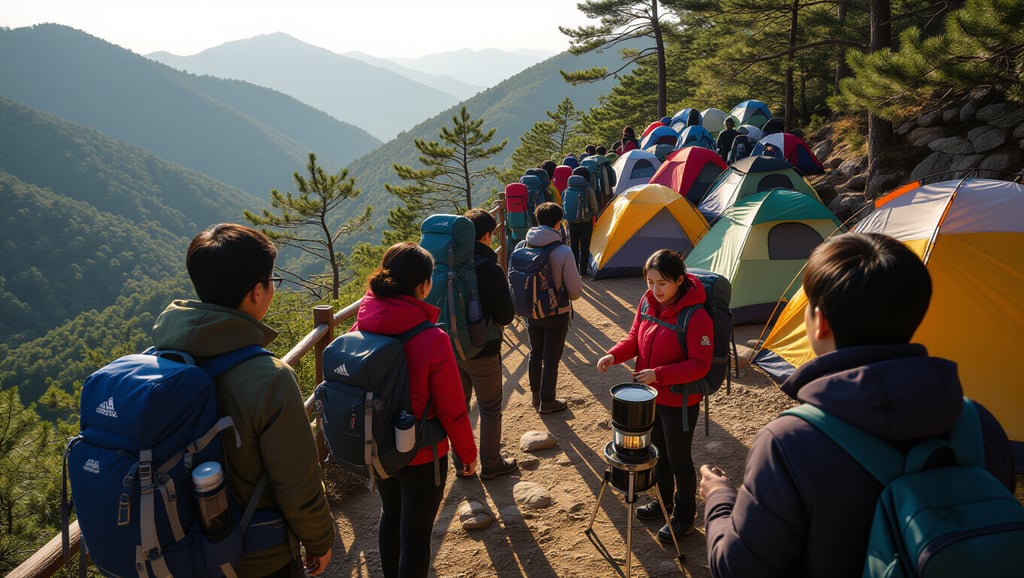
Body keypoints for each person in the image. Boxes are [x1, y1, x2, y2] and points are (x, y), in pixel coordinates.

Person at [699, 232, 1016, 577]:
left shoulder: (788, 443)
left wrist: (719, 498)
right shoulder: (978, 423)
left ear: (821, 323)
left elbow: (737, 568)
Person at [152, 223, 334, 577]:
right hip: (256, 558)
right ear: (256, 292)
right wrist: (320, 540)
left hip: (180, 552)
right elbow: (297, 481)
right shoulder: (269, 378)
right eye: (271, 282)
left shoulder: (163, 360)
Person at [350, 242, 478, 577]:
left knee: (390, 515)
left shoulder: (362, 323)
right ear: (422, 285)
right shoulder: (432, 339)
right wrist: (467, 454)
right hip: (422, 452)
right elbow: (453, 409)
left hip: (378, 445)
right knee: (416, 535)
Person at [596, 249, 713, 544]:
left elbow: (700, 365)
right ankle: (665, 503)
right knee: (656, 453)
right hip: (649, 397)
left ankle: (684, 518)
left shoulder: (696, 314)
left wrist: (658, 374)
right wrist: (613, 354)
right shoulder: (648, 302)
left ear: (679, 280)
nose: (655, 290)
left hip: (679, 401)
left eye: (662, 283)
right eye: (650, 282)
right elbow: (635, 338)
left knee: (679, 459)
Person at [457, 209, 518, 480]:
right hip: (484, 349)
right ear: (486, 235)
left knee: (458, 408)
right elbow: (506, 316)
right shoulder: (490, 270)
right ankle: (491, 464)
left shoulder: (451, 266)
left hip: (452, 348)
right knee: (490, 407)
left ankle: (463, 464)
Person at [517, 202, 583, 414]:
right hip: (557, 312)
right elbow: (575, 291)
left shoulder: (522, 246)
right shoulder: (563, 251)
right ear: (558, 223)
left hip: (530, 309)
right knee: (551, 358)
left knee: (535, 353)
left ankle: (536, 397)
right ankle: (548, 401)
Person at [564, 166, 599, 277]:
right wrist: (591, 215)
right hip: (586, 222)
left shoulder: (567, 190)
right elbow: (595, 208)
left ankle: (574, 270)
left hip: (571, 221)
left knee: (573, 245)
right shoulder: (588, 189)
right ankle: (583, 270)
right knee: (585, 246)